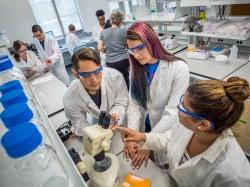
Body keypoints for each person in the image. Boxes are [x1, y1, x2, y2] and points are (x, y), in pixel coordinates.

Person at [116, 77, 250, 187]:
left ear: (203, 124)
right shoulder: (189, 126)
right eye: (181, 101)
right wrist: (143, 137)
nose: (177, 108)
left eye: (183, 108)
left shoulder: (233, 176)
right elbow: (169, 139)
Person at [124, 22, 189, 167]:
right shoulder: (135, 70)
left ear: (152, 41)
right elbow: (134, 105)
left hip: (165, 132)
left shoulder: (178, 68)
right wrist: (133, 136)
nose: (136, 55)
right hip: (144, 129)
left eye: (140, 48)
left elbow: (172, 112)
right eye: (131, 50)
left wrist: (149, 143)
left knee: (166, 170)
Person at [63, 48, 129, 136]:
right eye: (86, 75)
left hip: (121, 122)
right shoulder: (71, 96)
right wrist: (95, 134)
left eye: (97, 71)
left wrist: (116, 113)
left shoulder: (115, 77)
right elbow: (78, 123)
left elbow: (121, 102)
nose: (94, 80)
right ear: (76, 74)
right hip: (97, 123)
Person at [98, 11, 130, 89]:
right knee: (125, 79)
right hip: (123, 60)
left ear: (111, 20)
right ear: (121, 21)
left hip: (110, 61)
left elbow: (100, 48)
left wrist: (108, 50)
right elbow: (128, 46)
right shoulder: (124, 32)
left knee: (115, 81)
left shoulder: (103, 32)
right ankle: (127, 97)